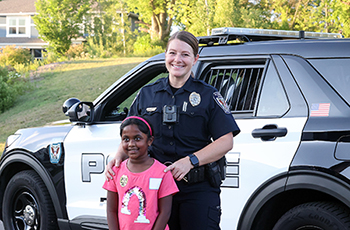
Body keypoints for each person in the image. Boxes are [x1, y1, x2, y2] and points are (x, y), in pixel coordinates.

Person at [106, 30, 240, 230]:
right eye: (172, 53)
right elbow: (131, 134)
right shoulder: (147, 94)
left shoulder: (208, 95)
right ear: (165, 55)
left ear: (195, 59)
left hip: (197, 189)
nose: (178, 59)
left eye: (185, 54)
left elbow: (226, 141)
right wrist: (118, 156)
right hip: (155, 189)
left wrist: (190, 161)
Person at [103, 116, 179, 230]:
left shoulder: (162, 173)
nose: (131, 144)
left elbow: (165, 212)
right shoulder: (115, 171)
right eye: (126, 139)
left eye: (137, 138)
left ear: (150, 141)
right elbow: (111, 210)